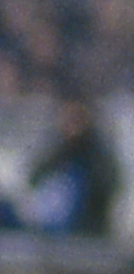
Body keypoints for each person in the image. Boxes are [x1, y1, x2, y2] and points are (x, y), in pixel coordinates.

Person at [3, 94, 123, 238]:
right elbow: (35, 176)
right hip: (45, 217)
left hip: (77, 228)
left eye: (74, 119)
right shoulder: (59, 151)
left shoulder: (97, 159)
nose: (68, 125)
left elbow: (104, 192)